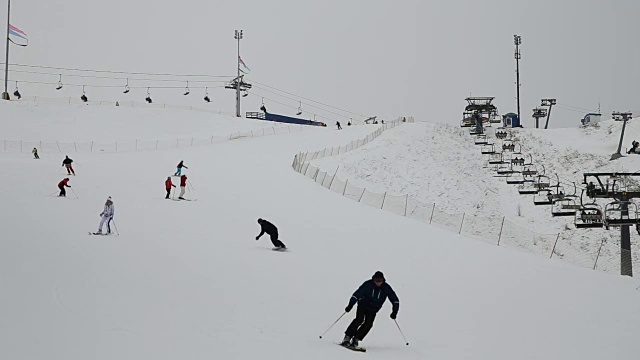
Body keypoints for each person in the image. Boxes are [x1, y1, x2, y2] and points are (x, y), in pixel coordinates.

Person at [341, 271, 399, 348]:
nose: (378, 283)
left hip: (373, 309)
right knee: (359, 319)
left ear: (383, 280)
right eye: (376, 281)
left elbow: (395, 300)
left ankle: (356, 339)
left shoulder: (386, 288)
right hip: (363, 305)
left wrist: (394, 311)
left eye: (380, 281)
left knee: (369, 324)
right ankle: (347, 337)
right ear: (374, 279)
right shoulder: (368, 284)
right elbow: (357, 294)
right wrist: (350, 305)